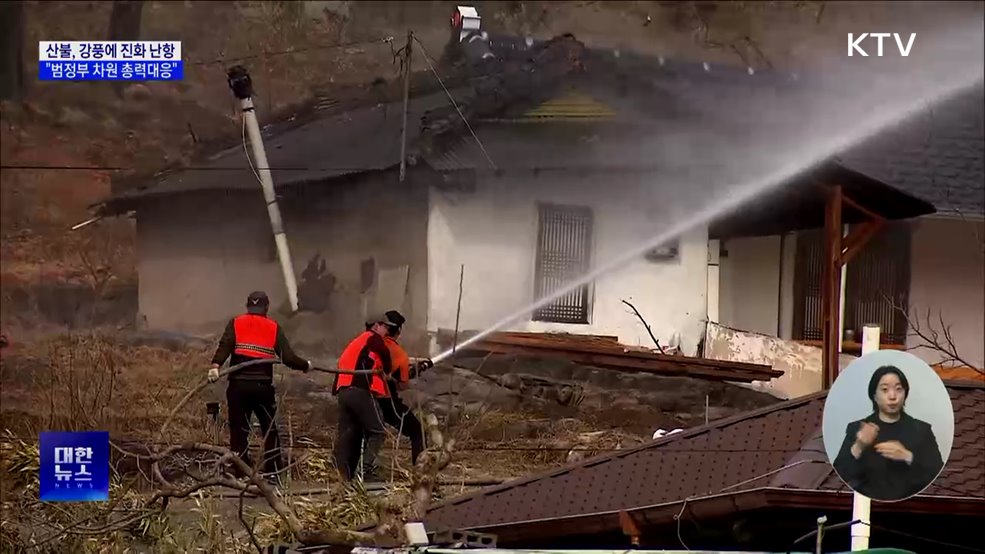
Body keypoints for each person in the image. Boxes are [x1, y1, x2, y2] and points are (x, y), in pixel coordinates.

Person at [209, 291, 312, 481]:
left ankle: (241, 471)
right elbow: (288, 358)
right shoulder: (273, 327)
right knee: (269, 429)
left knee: (239, 430)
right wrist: (305, 365)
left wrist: (215, 366)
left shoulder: (236, 322)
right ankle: (273, 471)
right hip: (261, 387)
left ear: (247, 306)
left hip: (238, 386)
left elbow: (225, 345)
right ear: (266, 308)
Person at [832, 365, 944, 501]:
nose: (892, 396)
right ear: (874, 395)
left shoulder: (922, 430)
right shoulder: (857, 428)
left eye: (898, 389)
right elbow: (838, 476)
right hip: (866, 508)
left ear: (905, 394)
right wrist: (859, 446)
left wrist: (908, 457)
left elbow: (938, 478)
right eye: (885, 390)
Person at [364, 310, 433, 468]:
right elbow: (403, 385)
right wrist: (413, 373)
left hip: (365, 395)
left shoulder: (373, 342)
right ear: (399, 331)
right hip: (386, 399)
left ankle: (359, 468)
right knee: (417, 431)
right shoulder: (400, 354)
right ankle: (420, 469)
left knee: (367, 431)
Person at [332, 314, 393, 482]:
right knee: (378, 431)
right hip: (358, 391)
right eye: (385, 327)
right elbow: (385, 355)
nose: (387, 331)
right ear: (376, 326)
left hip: (343, 391)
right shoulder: (373, 338)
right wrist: (388, 371)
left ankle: (342, 474)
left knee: (347, 434)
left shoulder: (357, 342)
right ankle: (364, 471)